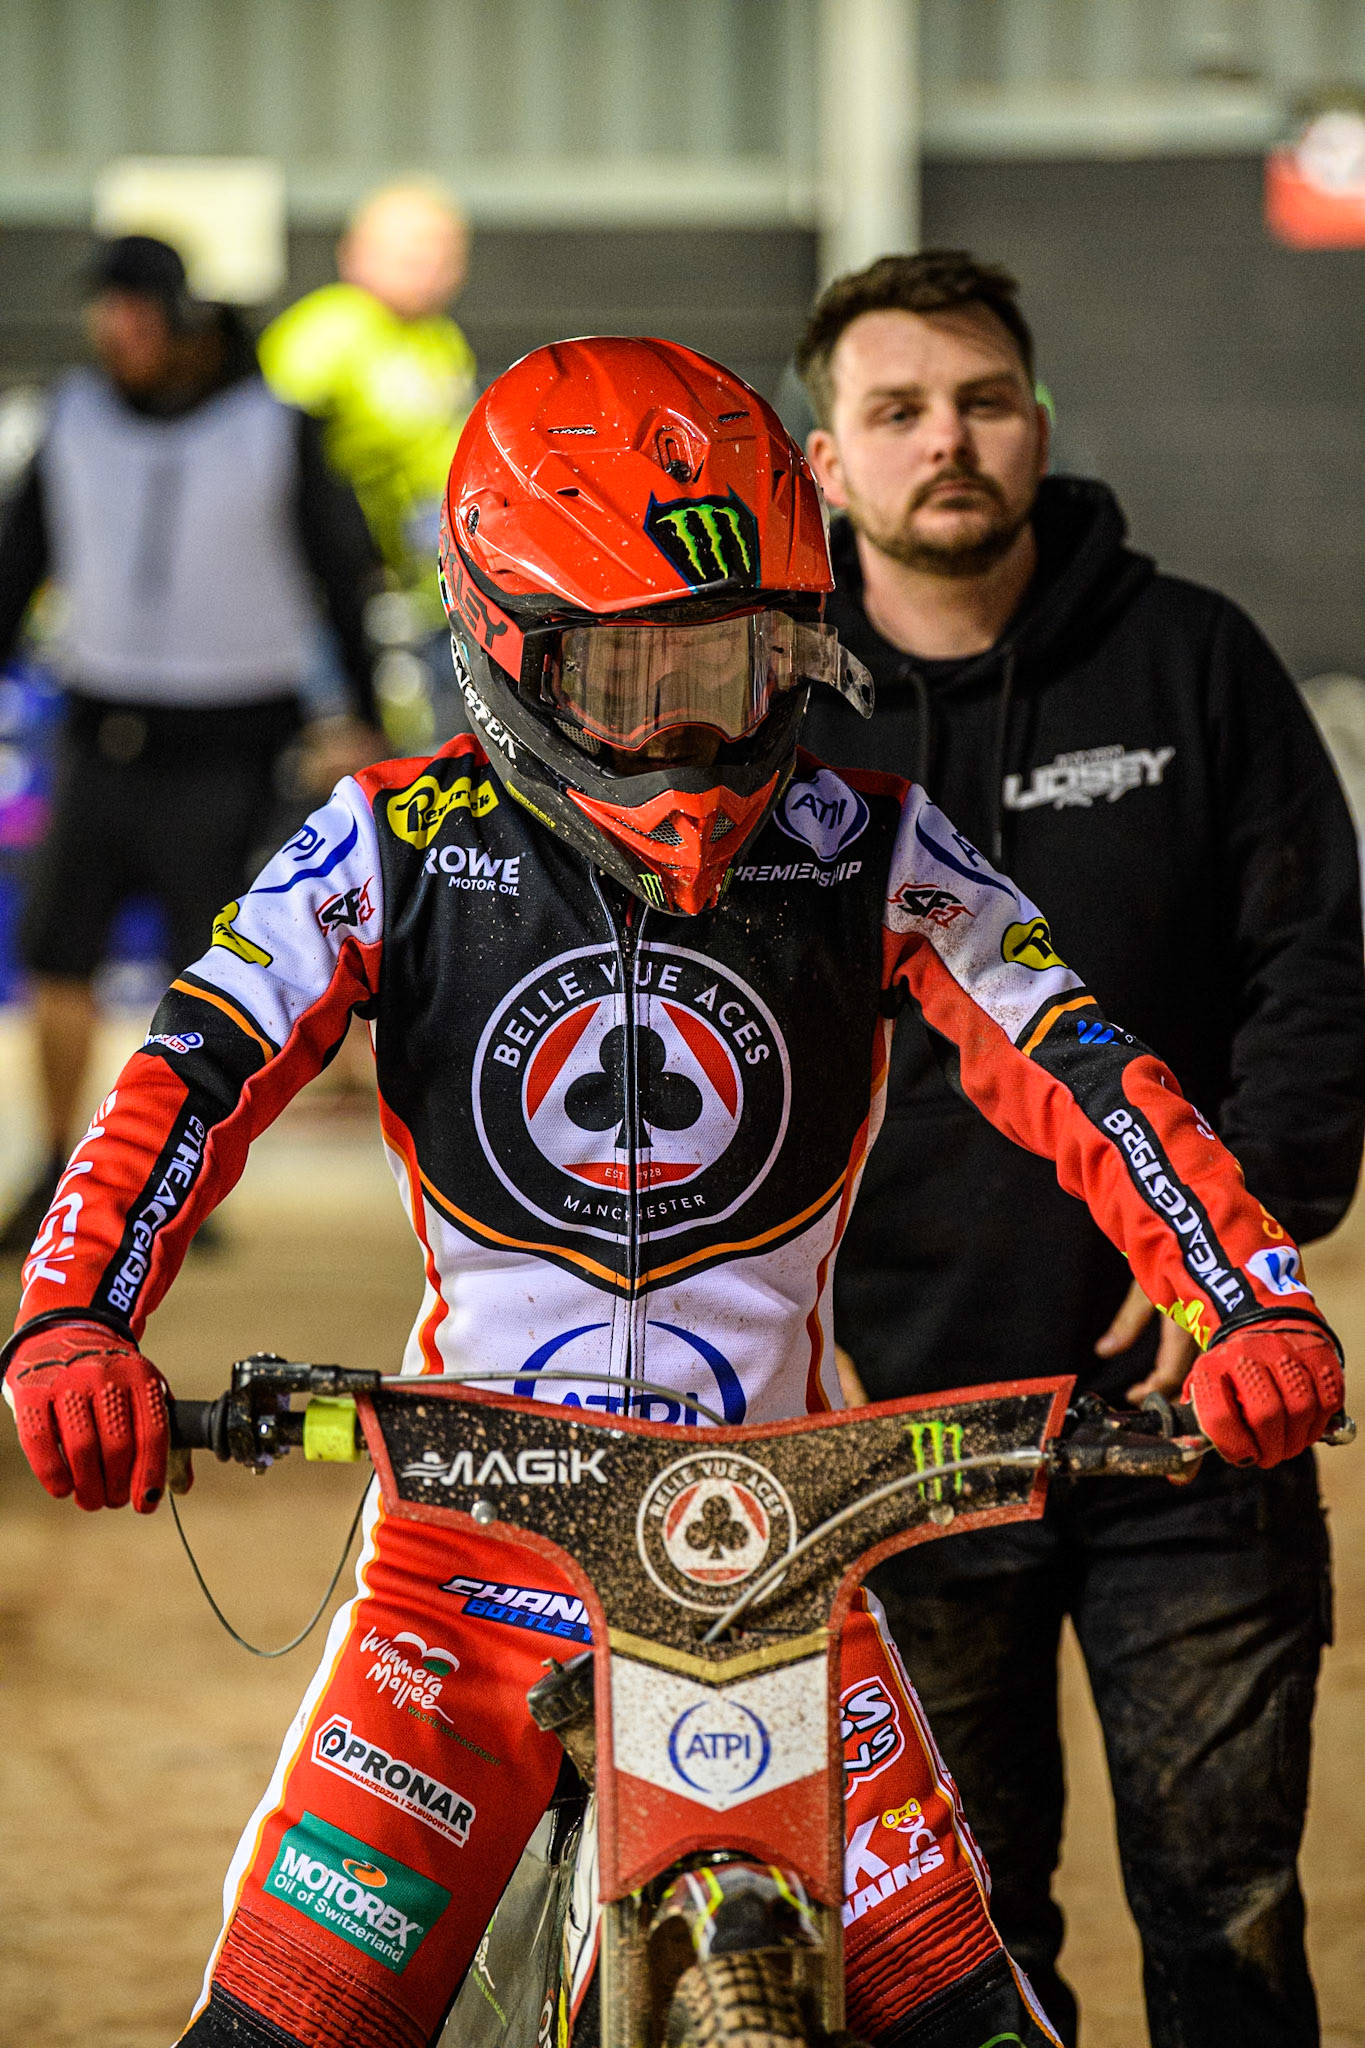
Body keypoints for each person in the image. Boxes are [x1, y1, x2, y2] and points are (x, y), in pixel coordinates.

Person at [0, 336, 1345, 2048]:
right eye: (639, 685)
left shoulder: (881, 842)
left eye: (739, 664)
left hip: (778, 1561)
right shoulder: (383, 845)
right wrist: (73, 1314)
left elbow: (1092, 1070)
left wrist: (1247, 1293)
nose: (699, 732)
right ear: (505, 654)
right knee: (281, 2030)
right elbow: (182, 1077)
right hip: (462, 1589)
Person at [795, 250, 1365, 2048]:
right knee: (960, 1946)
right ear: (826, 463)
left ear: (1037, 421)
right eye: (898, 411)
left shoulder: (1193, 659)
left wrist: (1241, 1241)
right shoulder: (769, 719)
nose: (946, 440)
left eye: (980, 400)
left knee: (1229, 1916)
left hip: (1185, 1419)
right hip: (898, 1423)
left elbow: (1314, 967)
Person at [0, 233, 385, 1252]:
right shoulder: (73, 419)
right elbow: (15, 563)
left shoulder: (274, 427)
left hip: (230, 730)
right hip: (100, 718)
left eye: (139, 314)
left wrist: (361, 714)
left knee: (203, 967)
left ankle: (173, 1185)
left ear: (184, 320)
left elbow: (339, 575)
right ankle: (56, 1168)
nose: (119, 335)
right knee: (59, 953)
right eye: (108, 314)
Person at [260, 181, 476, 741]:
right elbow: (262, 452)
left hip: (424, 594)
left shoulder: (439, 337)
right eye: (411, 251)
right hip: (336, 593)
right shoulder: (326, 334)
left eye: (445, 253)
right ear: (356, 253)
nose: (431, 267)